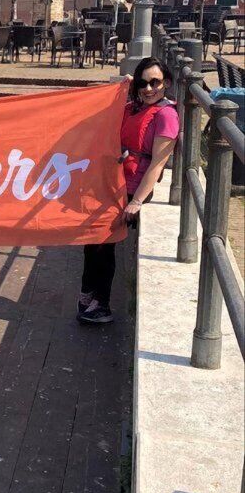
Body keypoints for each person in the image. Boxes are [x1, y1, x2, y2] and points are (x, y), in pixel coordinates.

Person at [78, 57, 179, 325]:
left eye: (155, 82)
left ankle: (102, 303)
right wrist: (126, 86)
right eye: (143, 83)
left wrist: (136, 202)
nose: (149, 89)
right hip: (112, 180)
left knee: (103, 243)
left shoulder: (166, 115)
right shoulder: (134, 107)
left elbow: (158, 163)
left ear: (166, 83)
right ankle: (88, 292)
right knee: (92, 239)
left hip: (132, 187)